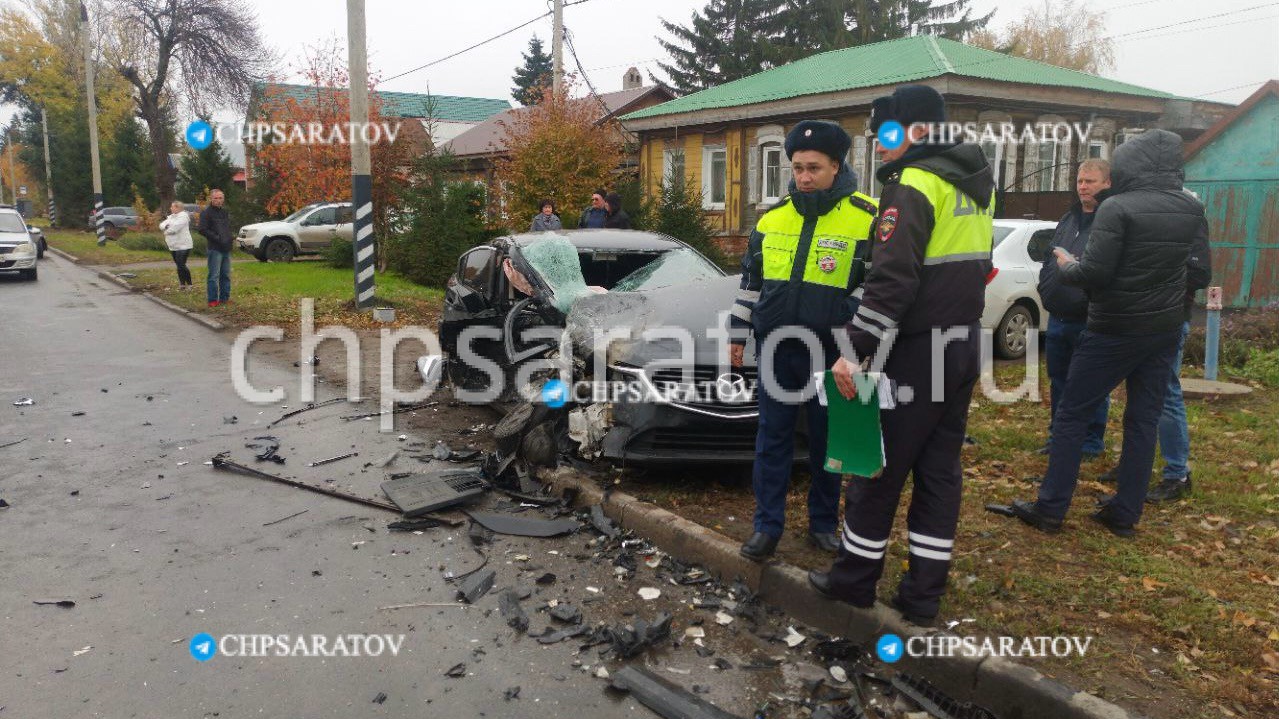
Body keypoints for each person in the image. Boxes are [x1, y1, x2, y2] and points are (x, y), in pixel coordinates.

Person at [807, 85, 993, 625]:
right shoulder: (975, 184)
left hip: (917, 350)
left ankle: (853, 582)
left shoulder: (912, 183)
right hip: (962, 343)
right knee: (939, 473)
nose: (879, 145)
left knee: (877, 464)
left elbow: (892, 279)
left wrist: (855, 349)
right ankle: (922, 595)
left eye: (885, 133)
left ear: (914, 130)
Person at [1002, 129, 1210, 538]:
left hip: (1113, 327)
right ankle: (1125, 514)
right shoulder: (1191, 209)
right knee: (1142, 420)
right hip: (1163, 330)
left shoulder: (1117, 208)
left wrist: (1064, 263)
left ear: (1131, 165)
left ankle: (1050, 507)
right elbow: (1200, 272)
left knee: (1072, 413)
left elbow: (1093, 272)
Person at [728, 119, 879, 561]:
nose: (804, 177)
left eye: (813, 167)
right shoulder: (772, 218)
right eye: (797, 168)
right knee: (771, 438)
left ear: (836, 165)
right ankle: (766, 526)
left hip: (833, 353)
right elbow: (750, 282)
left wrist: (852, 337)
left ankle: (822, 524)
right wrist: (738, 332)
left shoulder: (867, 217)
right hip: (777, 348)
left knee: (828, 442)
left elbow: (874, 287)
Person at [1097, 187, 1211, 503]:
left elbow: (1200, 273)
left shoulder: (1190, 216)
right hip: (1135, 318)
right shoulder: (1143, 213)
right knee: (1137, 394)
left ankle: (1177, 474)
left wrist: (1154, 274)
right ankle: (1135, 463)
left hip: (1170, 319)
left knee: (1165, 394)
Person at [1036, 160, 1112, 459]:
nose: (1083, 187)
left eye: (1090, 181)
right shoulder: (1069, 219)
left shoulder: (1110, 221)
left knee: (1090, 383)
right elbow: (1049, 257)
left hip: (1090, 318)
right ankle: (1060, 436)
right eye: (1080, 181)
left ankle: (1091, 441)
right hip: (1058, 316)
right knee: (1059, 380)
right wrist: (1046, 286)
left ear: (1107, 184)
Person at [197, 189, 233, 308]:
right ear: (211, 199)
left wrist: (229, 238)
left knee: (226, 275)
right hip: (215, 248)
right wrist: (217, 238)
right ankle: (212, 300)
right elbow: (202, 229)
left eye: (220, 198)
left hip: (226, 247)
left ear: (223, 199)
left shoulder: (225, 212)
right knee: (214, 275)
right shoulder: (206, 213)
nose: (218, 200)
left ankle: (224, 298)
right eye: (216, 198)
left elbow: (227, 228)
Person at [159, 200, 194, 288]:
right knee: (179, 265)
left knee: (181, 264)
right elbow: (162, 225)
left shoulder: (183, 217)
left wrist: (166, 231)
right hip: (173, 245)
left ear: (177, 208)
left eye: (172, 206)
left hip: (183, 245)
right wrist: (166, 227)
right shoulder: (171, 217)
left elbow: (174, 229)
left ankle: (189, 284)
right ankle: (182, 284)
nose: (170, 208)